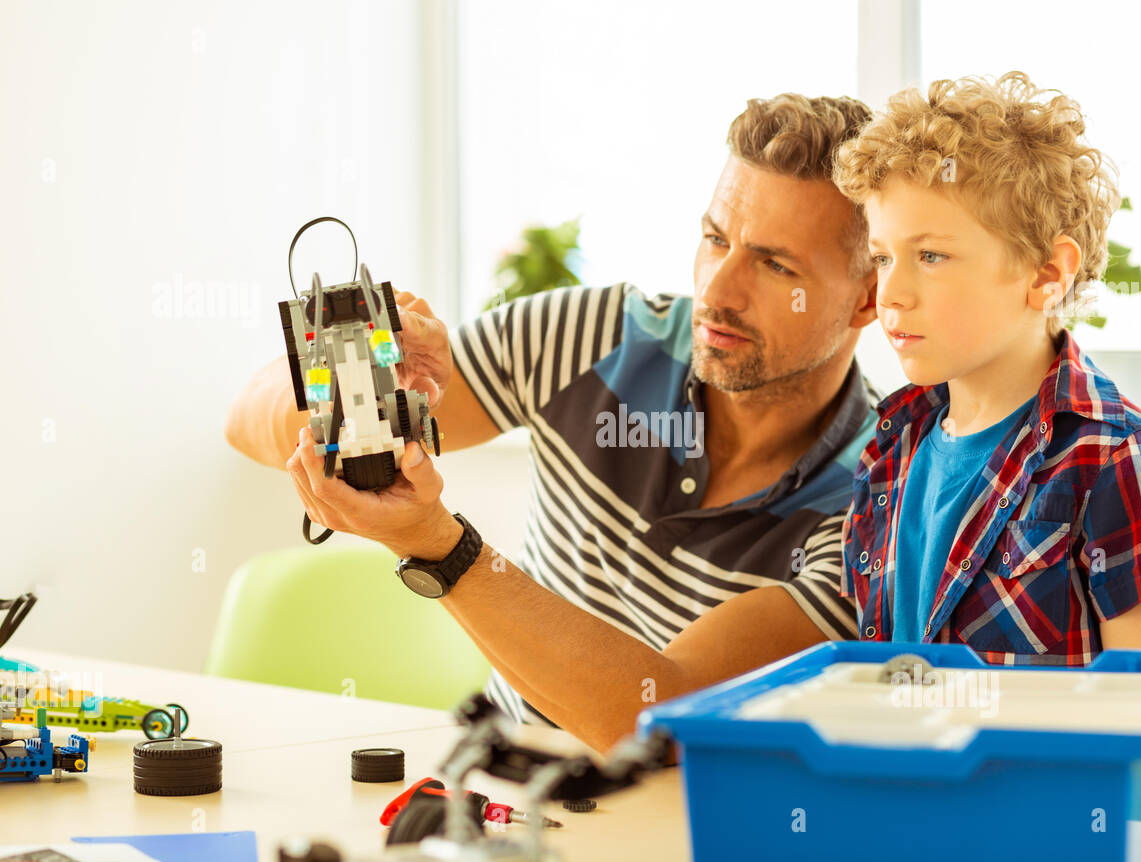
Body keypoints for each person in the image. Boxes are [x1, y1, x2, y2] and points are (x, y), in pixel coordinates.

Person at [225, 94, 883, 751]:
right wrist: (358, 385)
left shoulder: (876, 500)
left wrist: (439, 546)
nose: (717, 290)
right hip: (502, 793)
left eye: (774, 265)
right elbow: (246, 417)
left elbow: (658, 716)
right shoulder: (590, 337)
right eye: (715, 238)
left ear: (868, 298)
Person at [832, 71, 1141, 665]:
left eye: (931, 256)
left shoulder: (1117, 457)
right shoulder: (890, 448)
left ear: (1046, 274)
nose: (891, 294)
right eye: (882, 257)